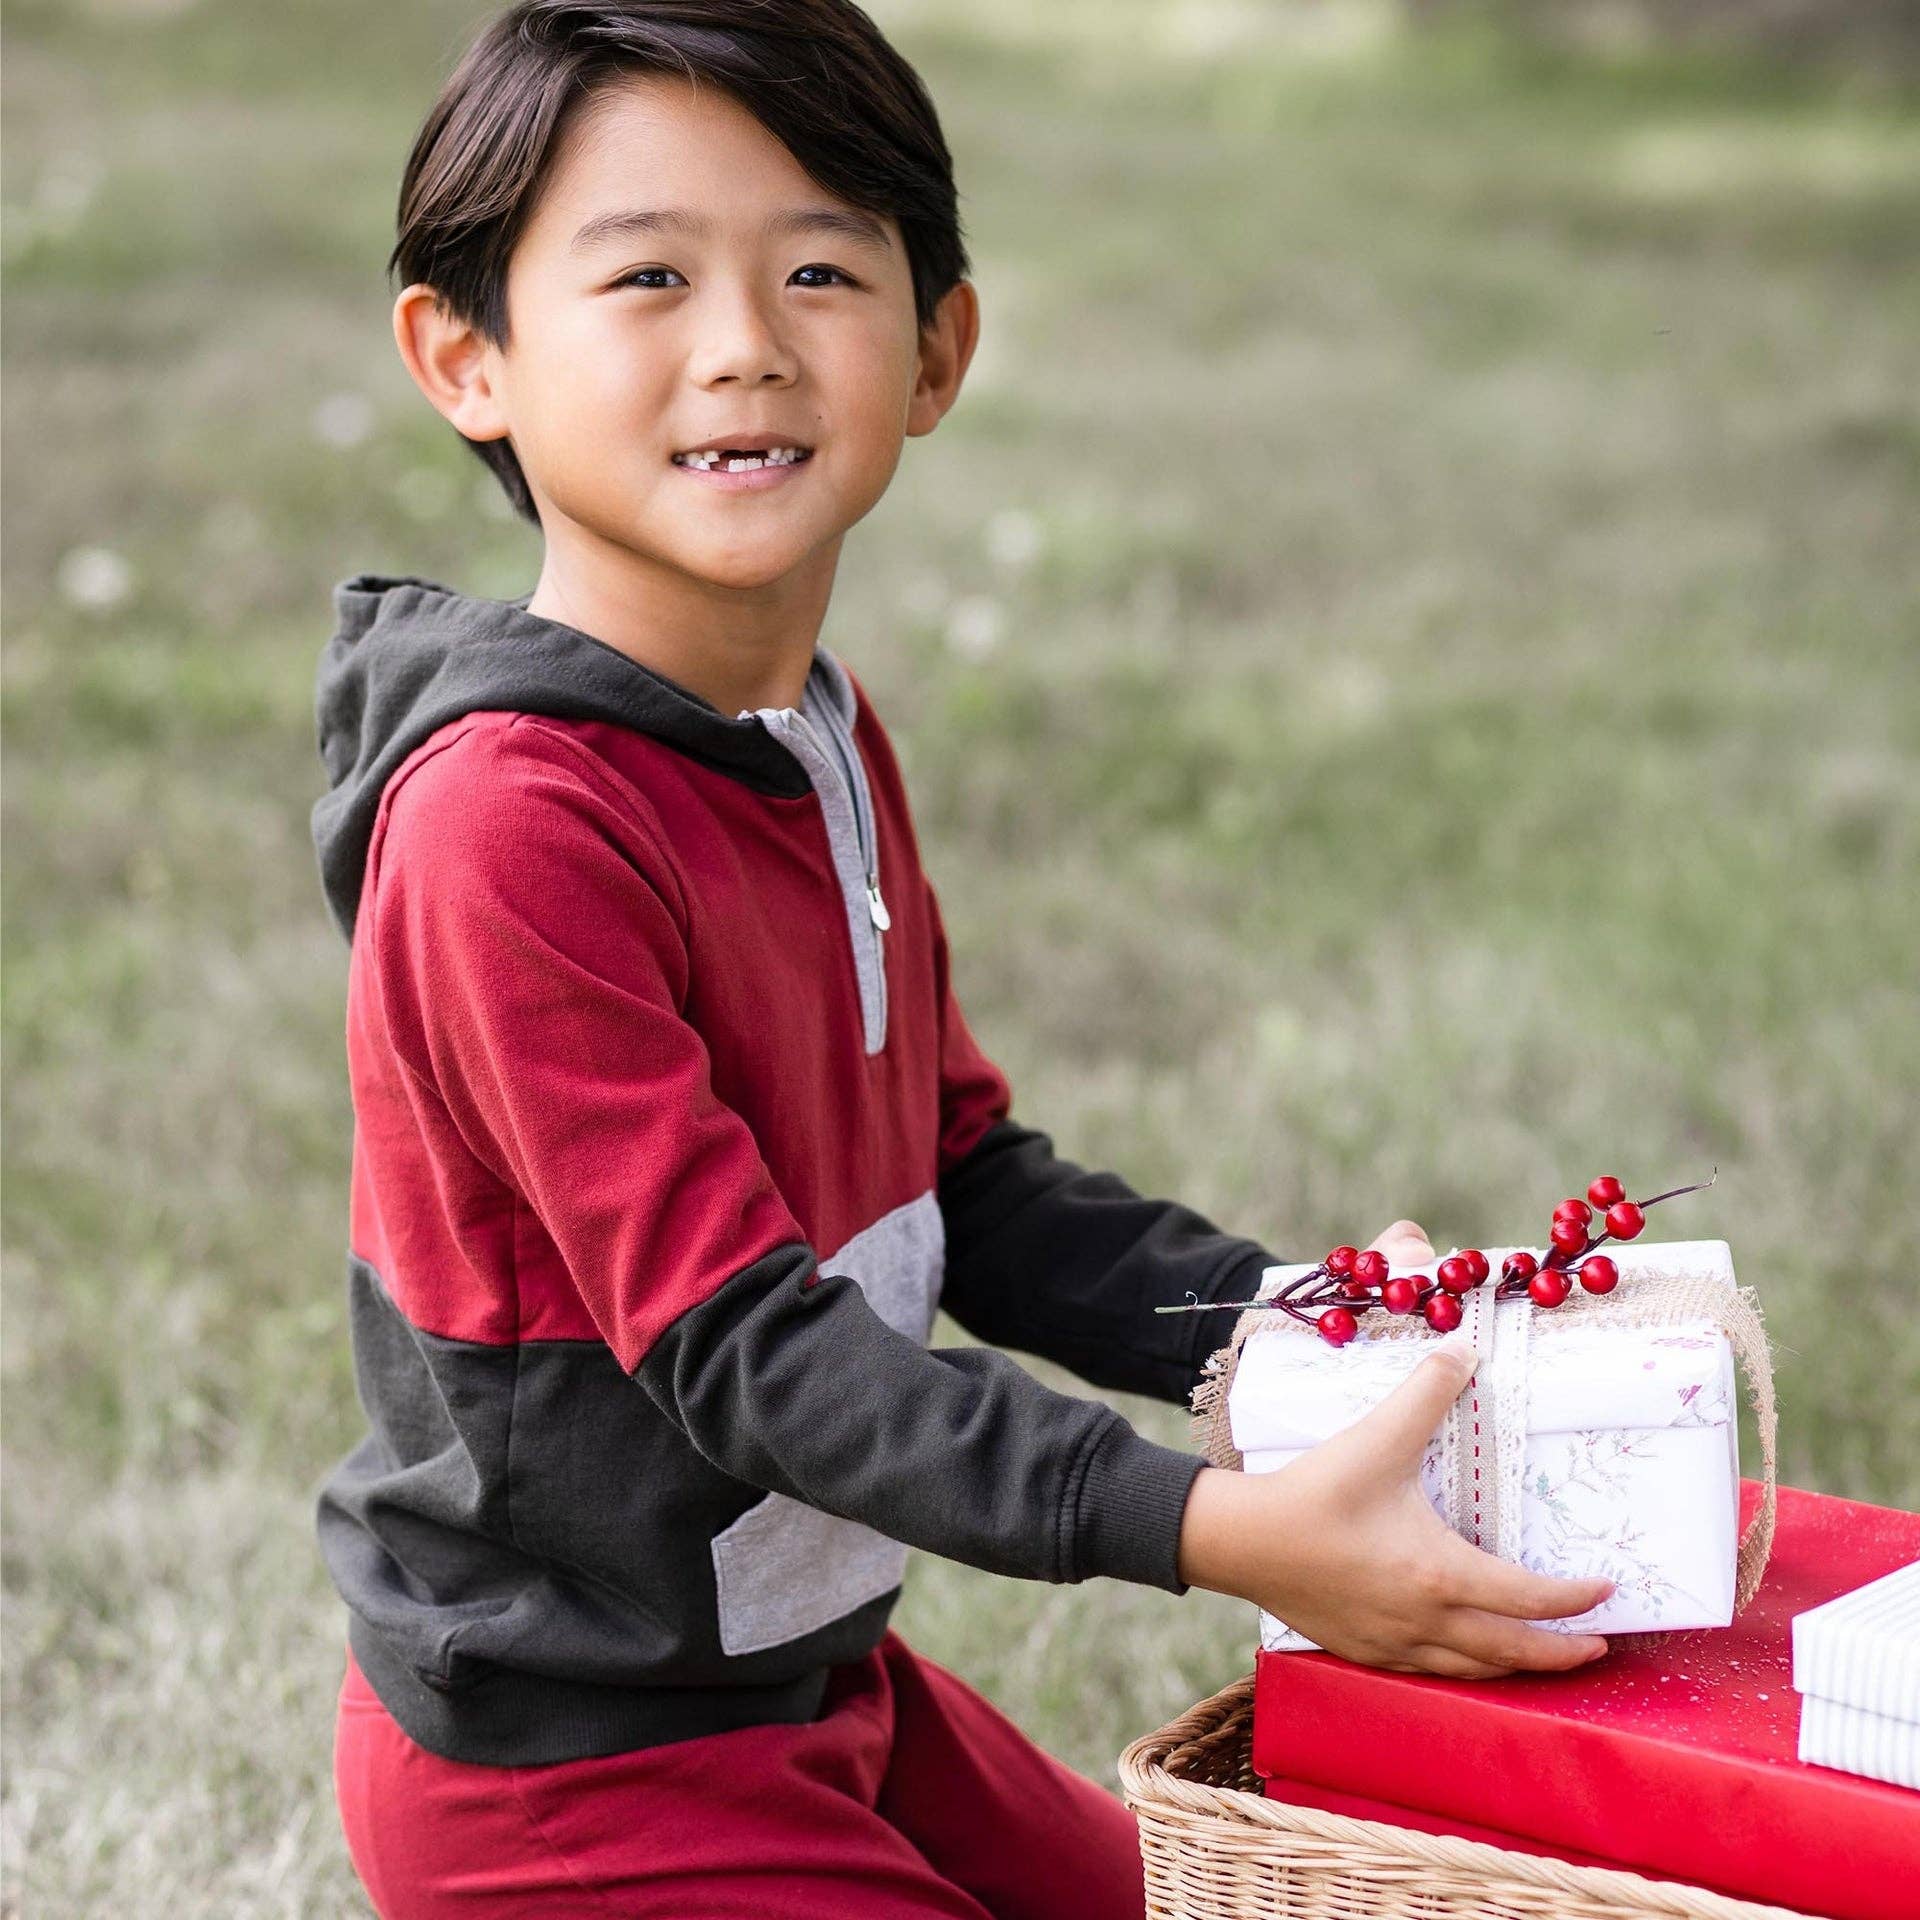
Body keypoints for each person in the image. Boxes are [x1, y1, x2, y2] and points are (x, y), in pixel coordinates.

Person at [310, 5, 1616, 1913]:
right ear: (465, 353)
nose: (746, 339)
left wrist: (1318, 1320)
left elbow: (967, 1189)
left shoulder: (813, 731)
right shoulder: (510, 826)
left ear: (936, 351)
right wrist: (1222, 1530)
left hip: (815, 1683)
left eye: (820, 266)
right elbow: (746, 1356)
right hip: (575, 1765)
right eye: (649, 275)